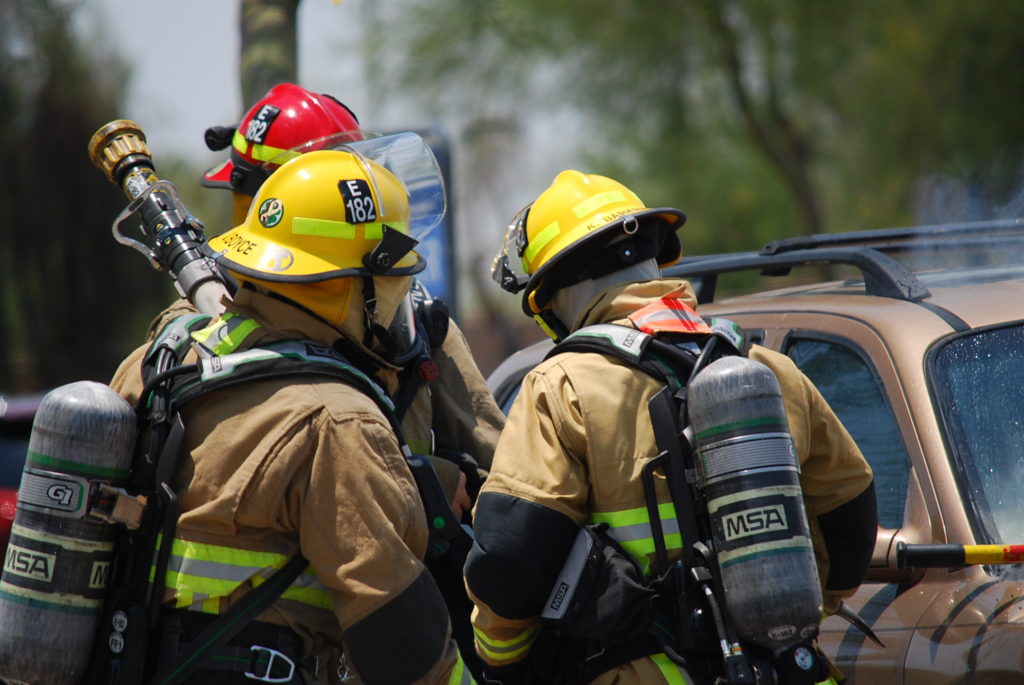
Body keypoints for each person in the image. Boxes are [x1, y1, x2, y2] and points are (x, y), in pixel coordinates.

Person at [466, 170, 878, 684]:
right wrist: (784, 611)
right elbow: (850, 515)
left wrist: (500, 658)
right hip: (784, 670)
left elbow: (511, 555)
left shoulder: (561, 385)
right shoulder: (768, 368)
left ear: (551, 293)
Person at [109, 150, 475, 684]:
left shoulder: (158, 359)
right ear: (352, 284)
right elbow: (406, 654)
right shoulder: (338, 420)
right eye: (392, 283)